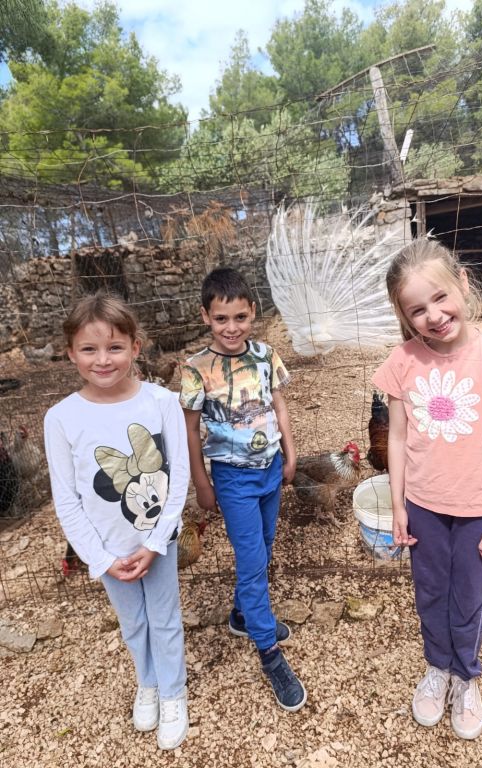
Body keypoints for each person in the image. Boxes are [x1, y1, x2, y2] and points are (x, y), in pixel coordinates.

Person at [373, 238, 482, 740]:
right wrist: (398, 505)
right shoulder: (402, 361)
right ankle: (437, 667)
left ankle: (466, 674)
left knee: (468, 597)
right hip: (423, 507)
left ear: (463, 283)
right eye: (417, 309)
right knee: (429, 594)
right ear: (404, 315)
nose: (434, 315)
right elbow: (397, 437)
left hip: (479, 510)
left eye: (440, 297)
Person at [44, 294, 190, 750]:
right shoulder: (61, 418)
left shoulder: (162, 402)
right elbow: (67, 499)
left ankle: (173, 692)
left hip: (156, 540)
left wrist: (156, 541)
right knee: (133, 622)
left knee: (164, 617)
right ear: (71, 353)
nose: (103, 360)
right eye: (89, 349)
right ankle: (147, 681)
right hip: (107, 546)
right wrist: (100, 557)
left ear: (135, 347)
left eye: (114, 347)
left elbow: (179, 476)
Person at [179, 267, 306, 712]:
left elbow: (278, 405)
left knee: (263, 549)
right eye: (221, 319)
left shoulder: (266, 355)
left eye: (240, 317)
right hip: (232, 479)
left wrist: (290, 453)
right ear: (205, 317)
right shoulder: (196, 369)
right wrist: (202, 482)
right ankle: (269, 651)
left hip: (269, 469)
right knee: (252, 564)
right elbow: (190, 430)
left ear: (253, 312)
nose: (231, 328)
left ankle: (242, 616)